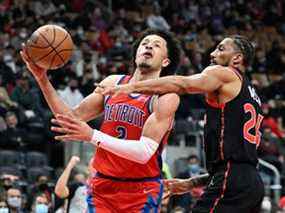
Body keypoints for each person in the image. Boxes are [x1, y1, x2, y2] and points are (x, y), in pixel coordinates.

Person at [21, 28, 181, 212]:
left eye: (156, 45)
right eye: (145, 43)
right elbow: (70, 119)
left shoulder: (166, 96)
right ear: (136, 54)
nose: (148, 46)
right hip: (102, 185)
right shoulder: (113, 83)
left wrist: (91, 135)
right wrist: (42, 78)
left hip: (141, 189)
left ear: (165, 61)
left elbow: (144, 152)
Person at [99, 35, 265, 213]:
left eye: (220, 49)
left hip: (232, 182)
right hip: (253, 184)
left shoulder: (224, 73)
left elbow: (182, 84)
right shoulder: (252, 93)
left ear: (237, 58)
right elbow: (235, 164)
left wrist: (131, 87)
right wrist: (192, 183)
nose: (212, 53)